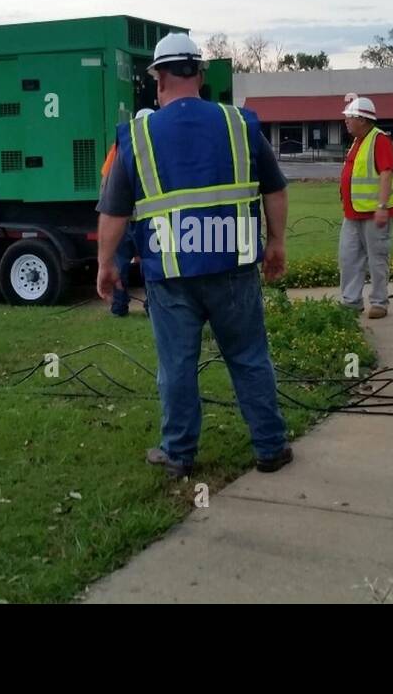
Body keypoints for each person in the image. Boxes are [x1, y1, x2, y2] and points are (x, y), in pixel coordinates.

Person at [95, 33, 292, 478]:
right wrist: (276, 242)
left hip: (170, 272)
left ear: (158, 78)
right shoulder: (240, 124)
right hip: (234, 267)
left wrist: (107, 264)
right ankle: (270, 447)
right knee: (248, 357)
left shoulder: (139, 135)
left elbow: (114, 210)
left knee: (177, 365)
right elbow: (274, 188)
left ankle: (179, 454)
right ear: (200, 75)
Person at [338, 96, 393, 319]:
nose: (346, 121)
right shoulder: (358, 141)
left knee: (377, 258)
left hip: (374, 213)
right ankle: (351, 301)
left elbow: (386, 172)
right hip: (353, 212)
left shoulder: (379, 140)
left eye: (350, 117)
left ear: (363, 120)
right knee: (348, 257)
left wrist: (382, 206)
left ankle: (379, 302)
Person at [100, 109, 154, 316]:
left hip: (125, 219)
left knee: (120, 264)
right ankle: (152, 307)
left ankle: (119, 306)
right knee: (150, 263)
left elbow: (106, 182)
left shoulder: (121, 146)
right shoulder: (157, 148)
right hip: (148, 219)